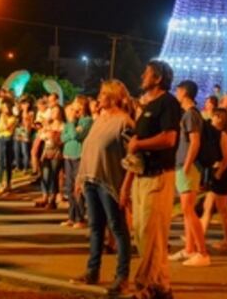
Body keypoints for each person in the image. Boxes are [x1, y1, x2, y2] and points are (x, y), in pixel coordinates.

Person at [120, 60, 180, 299]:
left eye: (147, 73)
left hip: (158, 176)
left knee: (151, 232)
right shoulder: (145, 106)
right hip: (140, 175)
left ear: (158, 78)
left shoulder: (168, 103)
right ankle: (162, 286)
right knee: (143, 234)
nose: (142, 76)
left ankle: (143, 286)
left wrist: (139, 143)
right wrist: (126, 185)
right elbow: (135, 148)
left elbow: (169, 139)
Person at [70, 80, 134, 295]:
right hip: (90, 179)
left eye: (103, 94)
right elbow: (89, 150)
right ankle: (92, 271)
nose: (98, 97)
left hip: (109, 183)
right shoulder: (99, 119)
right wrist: (80, 178)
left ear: (113, 97)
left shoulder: (124, 122)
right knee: (96, 227)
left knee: (117, 229)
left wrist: (126, 186)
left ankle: (122, 276)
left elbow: (132, 158)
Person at [170, 80, 210, 266]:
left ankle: (202, 252)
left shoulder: (191, 115)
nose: (176, 93)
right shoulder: (188, 115)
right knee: (187, 211)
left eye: (178, 90)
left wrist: (186, 165)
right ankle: (190, 249)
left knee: (188, 209)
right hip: (183, 165)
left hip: (188, 167)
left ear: (184, 92)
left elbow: (195, 142)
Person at [200, 108, 227, 251]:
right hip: (216, 173)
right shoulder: (215, 135)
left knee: (222, 209)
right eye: (214, 116)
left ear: (222, 119)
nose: (213, 119)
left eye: (216, 116)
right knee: (208, 207)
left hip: (221, 175)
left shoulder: (223, 135)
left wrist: (219, 172)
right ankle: (199, 236)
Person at [62, 95, 92, 226]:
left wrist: (72, 123)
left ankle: (80, 217)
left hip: (78, 156)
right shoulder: (72, 121)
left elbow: (76, 135)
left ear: (82, 105)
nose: (73, 106)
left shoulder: (87, 121)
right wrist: (71, 125)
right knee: (69, 187)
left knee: (78, 187)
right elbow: (63, 137)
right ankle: (71, 216)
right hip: (67, 155)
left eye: (75, 103)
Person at [33, 104, 64, 209]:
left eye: (56, 111)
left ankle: (52, 198)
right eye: (53, 111)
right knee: (45, 175)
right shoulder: (49, 125)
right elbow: (42, 136)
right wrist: (47, 133)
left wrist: (52, 134)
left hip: (56, 153)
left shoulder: (63, 125)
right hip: (46, 152)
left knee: (54, 176)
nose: (54, 114)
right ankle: (45, 196)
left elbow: (60, 139)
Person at [0, 98, 17, 194]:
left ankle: (8, 182)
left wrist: (3, 119)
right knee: (0, 161)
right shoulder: (0, 117)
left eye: (7, 107)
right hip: (0, 138)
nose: (5, 109)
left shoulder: (13, 118)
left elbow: (7, 127)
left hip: (8, 139)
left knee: (8, 162)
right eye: (3, 107)